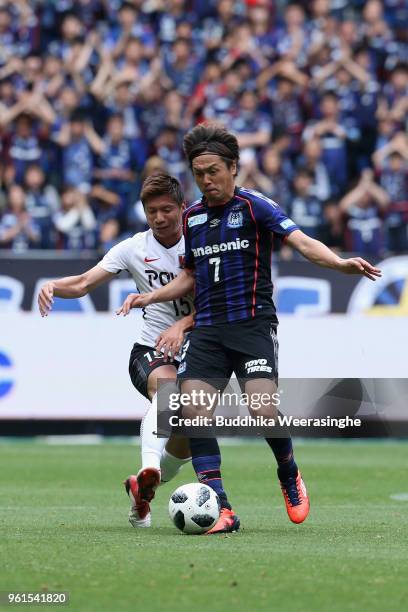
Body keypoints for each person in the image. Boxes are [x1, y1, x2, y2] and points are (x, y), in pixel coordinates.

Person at [117, 124, 382, 532]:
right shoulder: (192, 218)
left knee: (261, 410)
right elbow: (190, 276)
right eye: (199, 173)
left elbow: (302, 241)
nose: (207, 180)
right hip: (207, 330)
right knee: (193, 413)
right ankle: (220, 507)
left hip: (252, 325)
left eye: (213, 171)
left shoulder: (255, 206)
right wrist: (149, 297)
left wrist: (340, 263)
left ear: (233, 168)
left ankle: (288, 470)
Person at [38, 173, 199, 529]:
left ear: (182, 208)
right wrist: (52, 285)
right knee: (168, 391)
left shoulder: (201, 243)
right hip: (150, 350)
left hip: (199, 350)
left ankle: (143, 491)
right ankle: (149, 467)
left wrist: (183, 325)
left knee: (190, 433)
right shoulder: (133, 249)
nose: (159, 218)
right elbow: (82, 283)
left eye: (166, 209)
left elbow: (218, 302)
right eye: (151, 211)